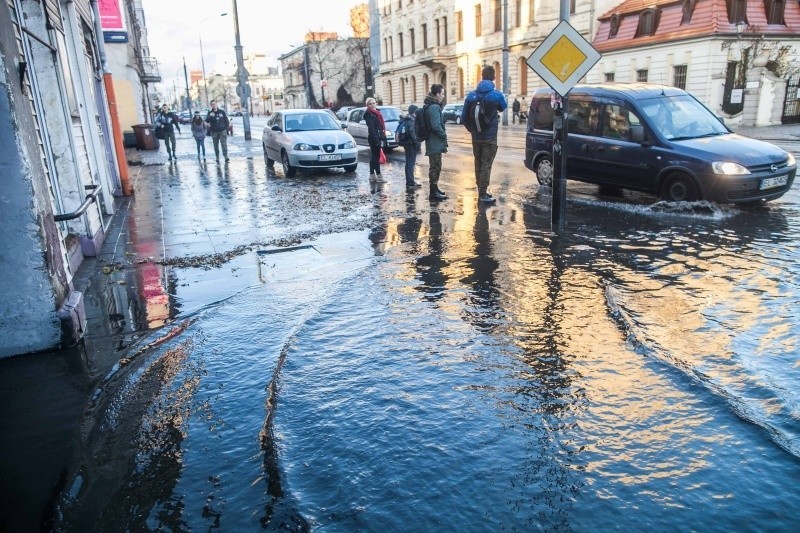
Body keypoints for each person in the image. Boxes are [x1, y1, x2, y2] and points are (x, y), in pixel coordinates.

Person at [461, 65, 507, 204]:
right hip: (490, 136)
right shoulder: (496, 95)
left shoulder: (471, 95)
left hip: (476, 136)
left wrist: (473, 130)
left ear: (481, 76)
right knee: (486, 164)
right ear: (493, 77)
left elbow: (464, 117)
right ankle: (483, 194)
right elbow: (503, 107)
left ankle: (480, 189)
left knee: (478, 162)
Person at [423, 84, 448, 201]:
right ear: (437, 94)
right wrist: (444, 135)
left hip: (434, 142)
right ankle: (433, 192)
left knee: (437, 166)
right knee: (435, 167)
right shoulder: (433, 107)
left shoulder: (432, 106)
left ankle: (435, 189)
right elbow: (436, 126)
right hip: (434, 142)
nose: (443, 96)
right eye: (442, 94)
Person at [398, 104, 422, 189]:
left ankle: (410, 181)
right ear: (414, 112)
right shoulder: (412, 120)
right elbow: (413, 134)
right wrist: (418, 144)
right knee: (411, 163)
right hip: (411, 144)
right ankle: (410, 183)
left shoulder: (406, 119)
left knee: (408, 163)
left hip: (407, 144)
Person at [364, 97, 386, 182]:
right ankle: (379, 175)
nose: (372, 105)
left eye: (373, 103)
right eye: (370, 104)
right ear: (367, 105)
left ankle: (372, 175)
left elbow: (380, 126)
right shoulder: (369, 114)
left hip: (377, 137)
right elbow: (372, 128)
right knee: (376, 157)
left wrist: (383, 136)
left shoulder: (377, 113)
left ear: (376, 103)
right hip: (374, 138)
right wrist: (377, 140)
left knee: (374, 157)